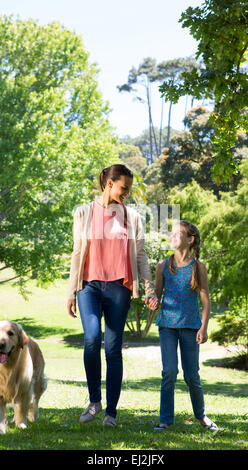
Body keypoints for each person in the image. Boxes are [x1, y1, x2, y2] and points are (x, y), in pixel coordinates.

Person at [67, 164, 158, 427]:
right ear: (109, 184)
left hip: (120, 288)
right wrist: (71, 291)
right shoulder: (84, 213)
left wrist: (149, 289)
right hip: (89, 286)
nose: (126, 193)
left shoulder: (133, 218)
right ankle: (94, 401)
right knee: (92, 338)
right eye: (123, 188)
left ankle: (111, 413)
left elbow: (140, 257)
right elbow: (76, 254)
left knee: (113, 349)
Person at [154, 220, 218, 431]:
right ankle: (165, 420)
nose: (171, 236)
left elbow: (206, 300)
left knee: (192, 375)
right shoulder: (163, 266)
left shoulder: (198, 267)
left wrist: (204, 327)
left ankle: (201, 416)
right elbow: (156, 295)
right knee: (169, 371)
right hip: (167, 327)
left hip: (191, 328)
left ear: (190, 240)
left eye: (177, 233)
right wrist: (152, 300)